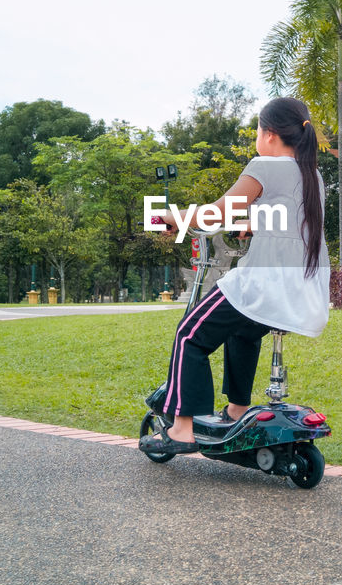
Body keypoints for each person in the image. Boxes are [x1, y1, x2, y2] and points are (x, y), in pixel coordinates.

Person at [140, 96, 330, 455]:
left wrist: (164, 218)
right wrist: (252, 225)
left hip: (264, 283)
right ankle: (237, 409)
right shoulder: (311, 174)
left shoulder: (266, 165)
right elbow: (291, 224)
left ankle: (182, 429)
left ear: (270, 134)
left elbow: (212, 215)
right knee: (242, 330)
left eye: (258, 131)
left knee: (189, 335)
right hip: (301, 291)